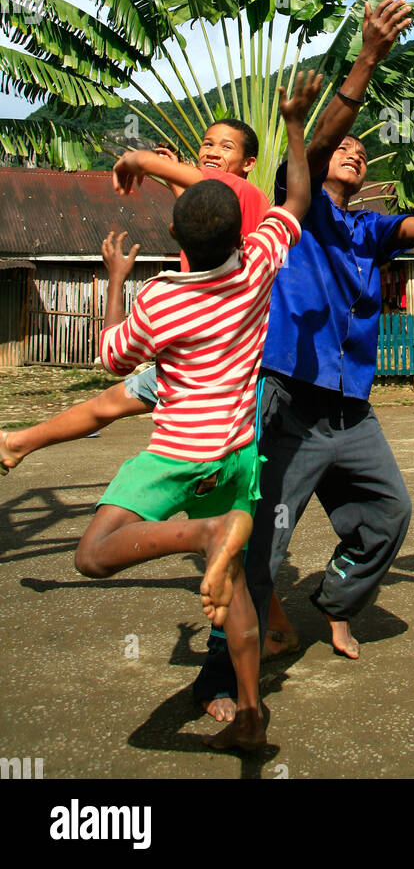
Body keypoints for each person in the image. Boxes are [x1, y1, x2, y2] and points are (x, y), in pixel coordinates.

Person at [195, 45, 414, 722]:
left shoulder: (370, 230)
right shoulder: (299, 212)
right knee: (264, 541)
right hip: (288, 398)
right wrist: (350, 75)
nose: (353, 153)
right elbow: (307, 160)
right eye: (342, 147)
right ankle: (218, 675)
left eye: (360, 152)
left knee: (390, 513)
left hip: (351, 408)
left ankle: (335, 604)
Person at [73, 76, 319, 752]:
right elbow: (297, 198)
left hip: (179, 454)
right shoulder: (259, 263)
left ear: (177, 230)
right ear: (243, 224)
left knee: (93, 554)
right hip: (238, 455)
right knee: (234, 593)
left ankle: (204, 537)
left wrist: (119, 280)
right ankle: (249, 714)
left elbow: (113, 361)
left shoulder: (162, 299)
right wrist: (295, 121)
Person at [0, 117, 272, 476]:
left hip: (227, 352)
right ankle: (16, 444)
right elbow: (195, 209)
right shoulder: (206, 208)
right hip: (201, 345)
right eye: (207, 143)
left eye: (226, 146)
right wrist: (172, 177)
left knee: (229, 453)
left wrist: (144, 161)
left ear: (249, 163)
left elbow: (210, 189)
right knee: (111, 402)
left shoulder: (247, 195)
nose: (212, 151)